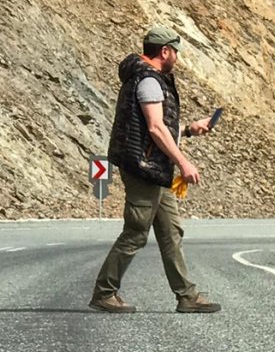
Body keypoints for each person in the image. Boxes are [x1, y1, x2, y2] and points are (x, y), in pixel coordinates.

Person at [89, 25, 221, 314]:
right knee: (136, 231)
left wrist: (187, 129)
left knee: (171, 231)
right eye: (175, 52)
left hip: (155, 170)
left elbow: (159, 129)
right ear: (165, 51)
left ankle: (187, 296)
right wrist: (184, 162)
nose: (177, 58)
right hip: (143, 169)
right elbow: (155, 128)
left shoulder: (152, 79)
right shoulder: (149, 80)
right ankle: (104, 292)